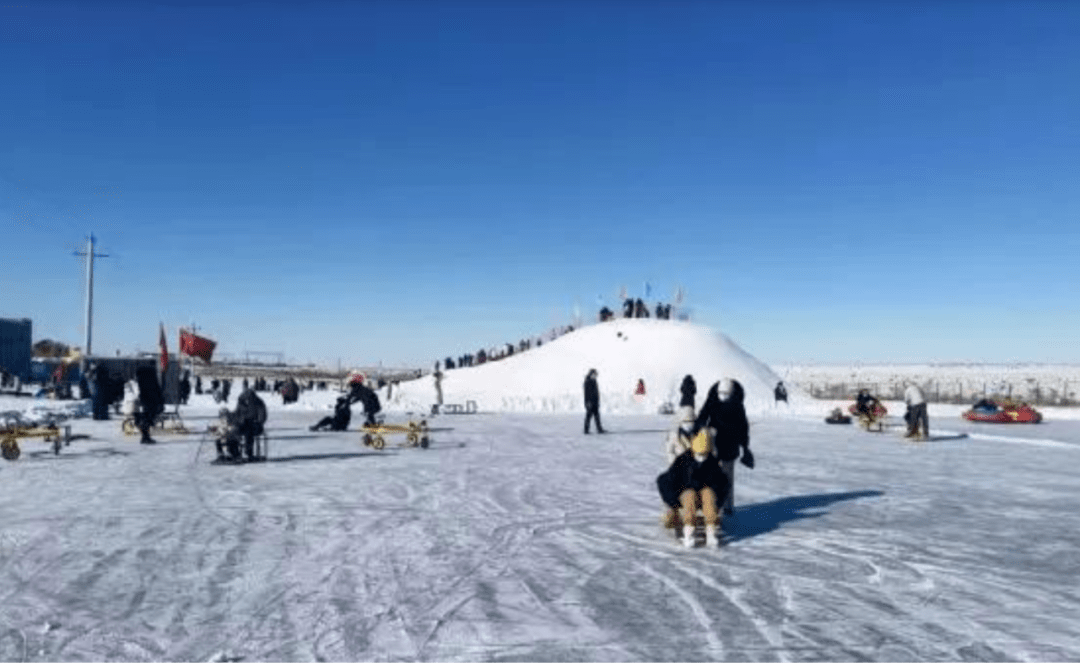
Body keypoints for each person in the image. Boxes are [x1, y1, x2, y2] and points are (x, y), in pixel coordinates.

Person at [657, 429, 730, 547]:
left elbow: (723, 483)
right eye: (700, 454)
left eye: (704, 454)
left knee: (708, 493)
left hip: (704, 497)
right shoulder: (682, 461)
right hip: (686, 494)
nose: (702, 457)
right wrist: (673, 503)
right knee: (689, 495)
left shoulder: (711, 462)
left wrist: (718, 502)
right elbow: (665, 480)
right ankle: (689, 533)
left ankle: (711, 532)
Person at [692, 378, 751, 516]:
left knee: (727, 476)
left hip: (730, 444)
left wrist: (745, 446)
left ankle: (728, 505)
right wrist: (698, 429)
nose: (723, 396)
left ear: (731, 393)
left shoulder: (737, 403)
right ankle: (711, 503)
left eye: (726, 393)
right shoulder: (712, 399)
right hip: (713, 442)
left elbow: (743, 427)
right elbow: (703, 414)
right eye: (721, 393)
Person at [234, 387, 268, 460]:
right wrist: (237, 421)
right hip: (243, 424)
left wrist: (258, 422)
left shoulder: (258, 402)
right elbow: (237, 414)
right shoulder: (240, 402)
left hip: (255, 426)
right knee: (233, 431)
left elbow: (262, 416)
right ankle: (234, 452)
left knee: (248, 431)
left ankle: (249, 453)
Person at [134, 366, 164, 445]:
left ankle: (145, 436)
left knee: (146, 419)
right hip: (151, 402)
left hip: (146, 402)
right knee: (148, 419)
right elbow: (157, 391)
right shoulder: (151, 380)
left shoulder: (141, 380)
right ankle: (145, 437)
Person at [583, 368, 604, 434]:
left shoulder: (594, 381)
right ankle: (586, 430)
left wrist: (597, 401)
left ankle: (599, 429)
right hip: (590, 402)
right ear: (591, 374)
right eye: (595, 374)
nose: (595, 376)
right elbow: (587, 394)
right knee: (588, 416)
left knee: (597, 416)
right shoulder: (587, 381)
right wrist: (588, 402)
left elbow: (596, 392)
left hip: (595, 402)